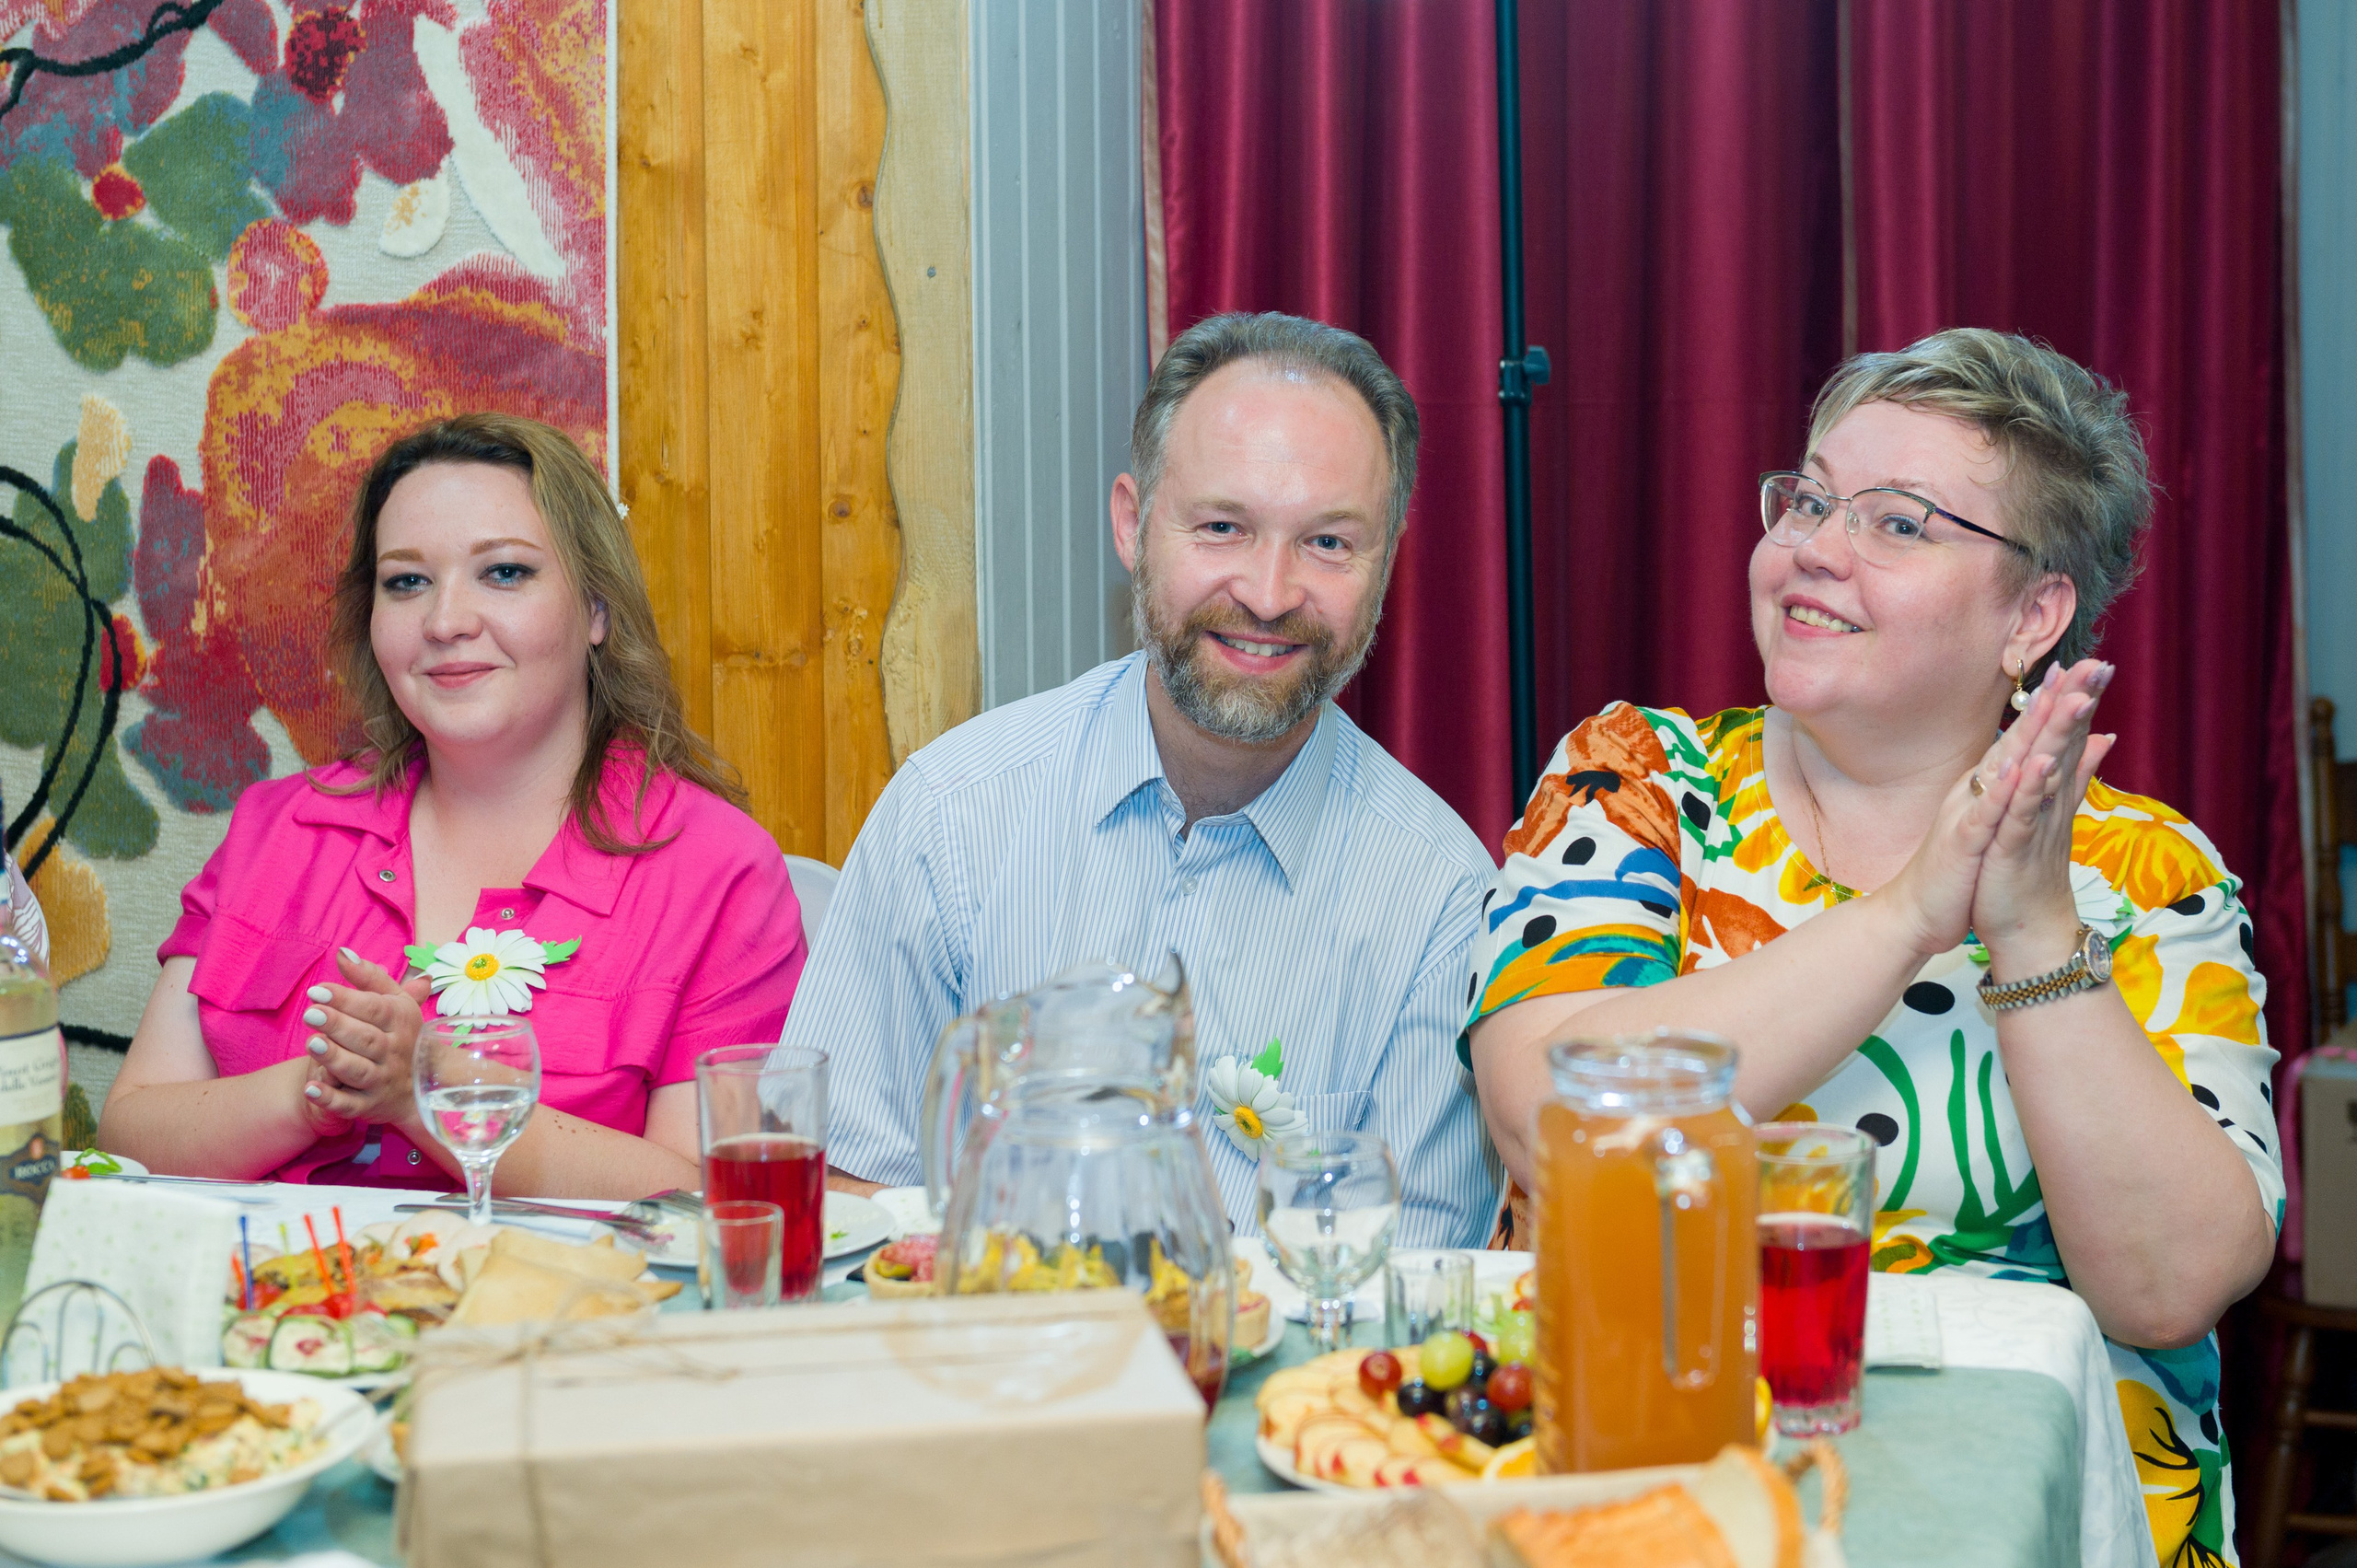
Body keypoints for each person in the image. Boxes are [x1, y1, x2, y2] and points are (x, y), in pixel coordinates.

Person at [1466, 329, 2276, 1565]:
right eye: (1808, 495)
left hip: (2026, 1514)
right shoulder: (1634, 779)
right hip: (1649, 1493)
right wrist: (1909, 913)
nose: (1811, 549)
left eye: (1898, 523)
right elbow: (1552, 1123)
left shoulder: (2146, 872)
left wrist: (2032, 925)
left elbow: (2169, 1285)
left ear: (2034, 613)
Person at [789, 312, 1499, 1245]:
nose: (1270, 591)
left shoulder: (1440, 902)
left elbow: (1411, 1292)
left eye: (1328, 542)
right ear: (1132, 524)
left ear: (1384, 564)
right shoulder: (951, 815)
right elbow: (844, 1199)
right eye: (1221, 526)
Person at [99, 413, 806, 1197]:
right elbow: (130, 1135)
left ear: (598, 609)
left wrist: (427, 1084)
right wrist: (319, 1090)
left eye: (504, 572)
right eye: (407, 582)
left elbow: (711, 1202)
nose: (445, 622)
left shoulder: (719, 871)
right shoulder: (276, 829)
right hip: (284, 1308)